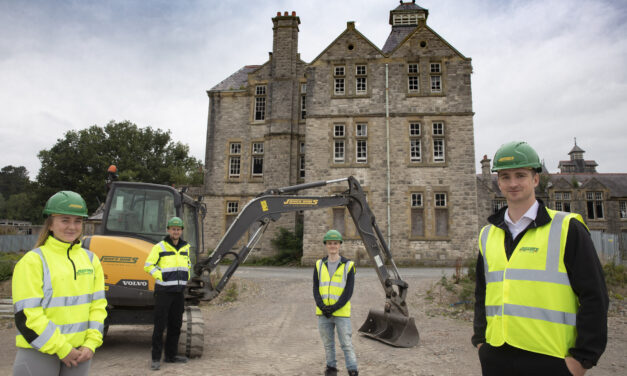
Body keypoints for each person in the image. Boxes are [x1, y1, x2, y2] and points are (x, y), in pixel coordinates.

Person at [472, 141, 609, 376]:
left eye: (520, 175)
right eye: (505, 176)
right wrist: (481, 340)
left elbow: (595, 296)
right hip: (496, 357)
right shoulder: (488, 234)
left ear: (535, 179)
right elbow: (482, 292)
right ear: (498, 182)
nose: (513, 183)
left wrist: (582, 359)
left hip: (550, 358)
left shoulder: (568, 228)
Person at [12, 191, 107, 376]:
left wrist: (91, 343)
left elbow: (98, 306)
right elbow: (27, 314)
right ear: (50, 224)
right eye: (65, 220)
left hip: (79, 354)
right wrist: (62, 348)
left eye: (77, 221)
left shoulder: (91, 260)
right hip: (39, 352)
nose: (72, 227)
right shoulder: (33, 261)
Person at [144, 216, 191, 371]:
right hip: (164, 292)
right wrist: (161, 276)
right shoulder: (160, 247)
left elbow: (188, 263)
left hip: (178, 292)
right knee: (159, 326)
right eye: (173, 229)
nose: (175, 231)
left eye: (178, 229)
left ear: (181, 231)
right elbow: (148, 265)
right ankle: (155, 358)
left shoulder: (185, 247)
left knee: (175, 325)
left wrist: (187, 276)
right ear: (169, 230)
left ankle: (171, 356)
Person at [313, 230, 359, 376]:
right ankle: (331, 368)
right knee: (328, 344)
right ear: (326, 245)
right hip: (323, 312)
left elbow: (348, 291)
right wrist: (322, 306)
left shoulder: (348, 265)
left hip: (341, 313)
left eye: (335, 243)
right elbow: (315, 288)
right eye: (330, 243)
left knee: (346, 344)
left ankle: (352, 370)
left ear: (339, 245)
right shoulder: (319, 264)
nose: (332, 246)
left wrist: (334, 307)